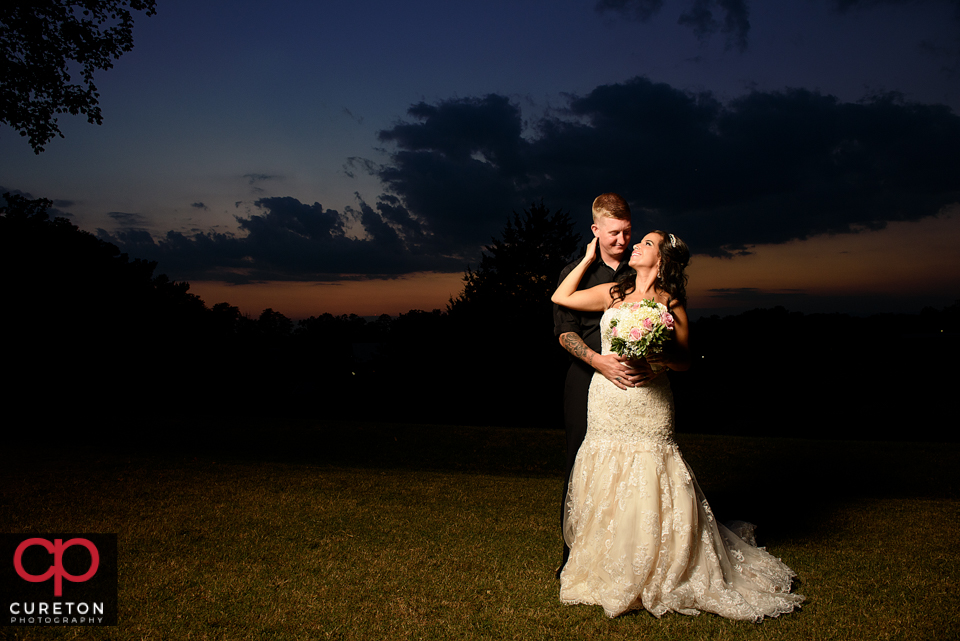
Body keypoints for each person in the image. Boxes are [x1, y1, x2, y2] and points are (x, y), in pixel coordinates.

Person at [550, 231, 804, 620]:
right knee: (606, 471)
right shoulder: (613, 293)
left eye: (646, 243)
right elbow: (560, 297)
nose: (636, 245)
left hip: (649, 402)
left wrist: (656, 359)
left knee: (653, 472)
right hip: (606, 399)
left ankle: (660, 568)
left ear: (662, 260)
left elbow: (685, 360)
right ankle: (607, 565)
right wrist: (586, 259)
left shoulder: (670, 302)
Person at [553, 193, 655, 577]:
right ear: (595, 230)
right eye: (613, 233)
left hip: (631, 384)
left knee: (630, 470)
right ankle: (573, 560)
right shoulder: (574, 273)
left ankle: (627, 559)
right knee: (580, 464)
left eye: (628, 232)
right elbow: (564, 333)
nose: (622, 240)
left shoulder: (639, 272)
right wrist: (598, 361)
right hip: (585, 379)